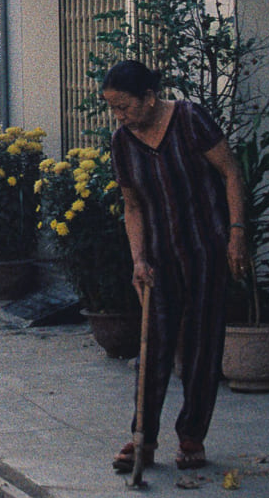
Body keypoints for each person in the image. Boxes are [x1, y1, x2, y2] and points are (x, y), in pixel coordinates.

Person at [102, 60, 250, 475]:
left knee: (203, 344)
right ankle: (143, 437)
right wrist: (138, 260)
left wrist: (237, 233)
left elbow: (231, 172)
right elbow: (132, 206)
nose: (120, 116)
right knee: (154, 346)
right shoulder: (123, 141)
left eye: (125, 106)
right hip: (160, 256)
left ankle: (191, 434)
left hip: (206, 248)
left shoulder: (189, 119)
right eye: (113, 109)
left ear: (149, 98)